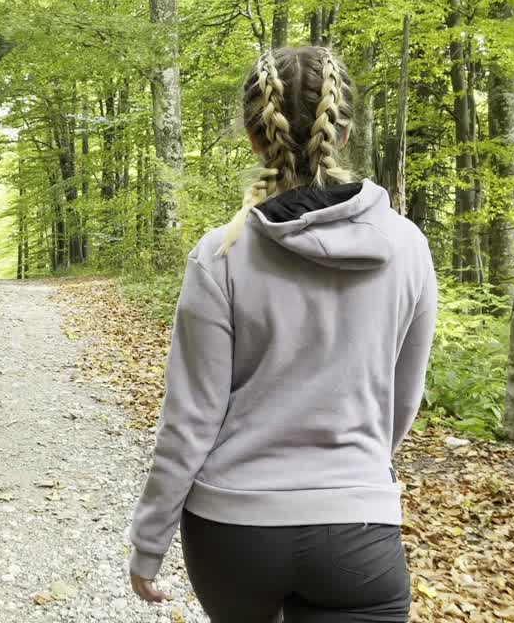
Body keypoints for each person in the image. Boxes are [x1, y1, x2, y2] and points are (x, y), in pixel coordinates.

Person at [127, 46, 437, 623]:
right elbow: (403, 398)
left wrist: (150, 540)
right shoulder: (407, 248)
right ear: (343, 133)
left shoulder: (220, 255)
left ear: (254, 137)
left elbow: (190, 419)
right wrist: (355, 472)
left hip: (233, 530)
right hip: (357, 529)